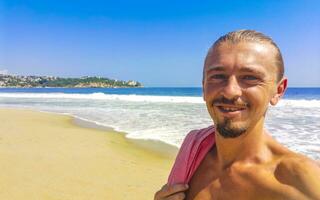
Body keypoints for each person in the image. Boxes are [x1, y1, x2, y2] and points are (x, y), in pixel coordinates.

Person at [154, 30, 320, 200]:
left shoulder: (302, 183)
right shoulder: (195, 149)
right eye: (218, 76)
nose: (230, 91)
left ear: (278, 91)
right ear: (204, 87)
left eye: (250, 77)